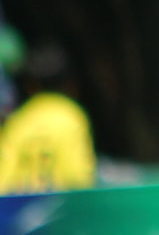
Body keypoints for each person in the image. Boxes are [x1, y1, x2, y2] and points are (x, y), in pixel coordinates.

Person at [0, 46, 95, 193]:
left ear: (30, 85)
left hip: (22, 212)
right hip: (61, 209)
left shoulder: (18, 120)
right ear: (69, 83)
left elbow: (4, 178)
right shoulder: (72, 116)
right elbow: (78, 175)